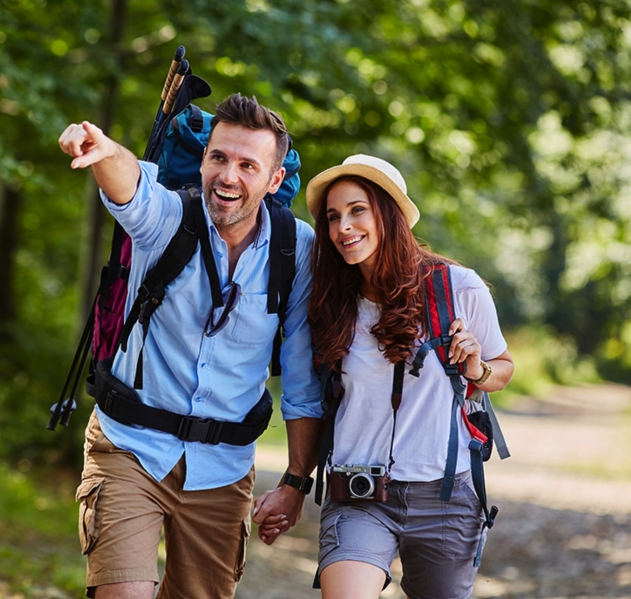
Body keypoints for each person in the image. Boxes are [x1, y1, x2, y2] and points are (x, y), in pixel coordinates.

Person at [56, 94, 324, 599]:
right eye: (219, 157)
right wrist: (103, 147)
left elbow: (303, 379)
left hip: (222, 471)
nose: (228, 175)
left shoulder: (297, 248)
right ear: (203, 159)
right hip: (130, 449)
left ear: (272, 181)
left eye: (248, 165)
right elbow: (130, 186)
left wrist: (295, 480)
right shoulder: (168, 217)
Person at [303, 154, 514, 598]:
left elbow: (503, 369)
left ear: (388, 214)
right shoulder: (329, 298)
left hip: (445, 497)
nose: (343, 227)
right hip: (357, 492)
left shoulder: (458, 287)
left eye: (357, 210)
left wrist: (477, 368)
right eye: (333, 217)